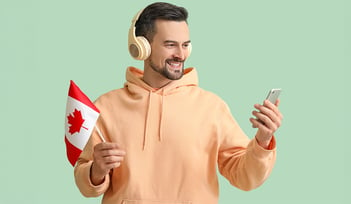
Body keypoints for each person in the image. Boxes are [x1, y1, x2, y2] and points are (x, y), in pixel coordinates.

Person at [74, 2, 283, 204]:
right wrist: (96, 171)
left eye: (185, 45)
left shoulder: (212, 107)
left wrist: (263, 141)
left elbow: (245, 177)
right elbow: (85, 184)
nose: (181, 55)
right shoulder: (106, 106)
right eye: (170, 44)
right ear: (142, 47)